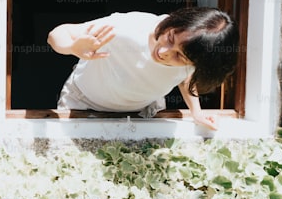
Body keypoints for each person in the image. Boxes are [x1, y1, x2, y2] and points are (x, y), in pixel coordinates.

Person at [46, 7, 238, 130]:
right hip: (83, 103)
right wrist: (72, 47)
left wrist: (197, 112)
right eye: (170, 38)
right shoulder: (128, 27)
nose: (164, 51)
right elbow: (57, 34)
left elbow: (186, 78)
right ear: (174, 22)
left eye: (179, 56)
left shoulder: (193, 62)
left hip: (142, 111)